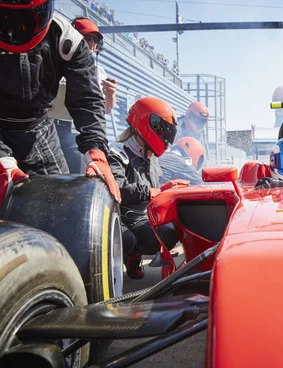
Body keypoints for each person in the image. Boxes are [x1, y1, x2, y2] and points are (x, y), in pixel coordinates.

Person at [0, 0, 120, 206]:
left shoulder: (67, 40)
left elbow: (87, 99)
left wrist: (96, 150)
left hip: (38, 131)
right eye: (7, 18)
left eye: (27, 18)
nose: (17, 29)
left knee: (62, 206)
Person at [108, 96, 186, 279]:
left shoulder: (151, 155)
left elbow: (154, 187)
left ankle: (135, 253)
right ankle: (126, 257)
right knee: (126, 241)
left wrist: (168, 188)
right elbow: (117, 188)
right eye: (164, 132)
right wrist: (149, 192)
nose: (166, 138)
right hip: (118, 215)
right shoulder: (117, 153)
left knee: (167, 235)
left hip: (141, 215)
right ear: (148, 124)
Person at [51, 16, 118, 174]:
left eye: (94, 39)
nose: (91, 43)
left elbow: (105, 110)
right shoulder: (54, 63)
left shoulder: (99, 72)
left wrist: (110, 95)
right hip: (48, 126)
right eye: (86, 37)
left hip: (75, 132)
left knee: (72, 178)